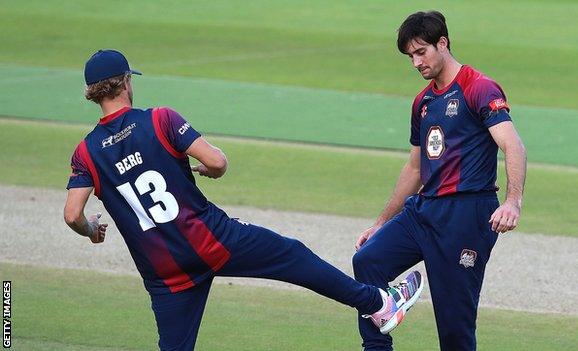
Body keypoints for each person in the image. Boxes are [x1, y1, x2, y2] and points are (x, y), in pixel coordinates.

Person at [63, 49, 424, 350]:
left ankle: (378, 303)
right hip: (211, 240)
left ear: (93, 93)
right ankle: (378, 304)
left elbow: (72, 214)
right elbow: (216, 161)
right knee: (291, 254)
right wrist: (212, 171)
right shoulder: (160, 119)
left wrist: (91, 229)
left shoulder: (87, 151)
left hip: (164, 273)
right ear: (125, 82)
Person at [352, 11, 527, 351]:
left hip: (467, 215)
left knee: (454, 327)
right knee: (368, 260)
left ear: (442, 43)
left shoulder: (479, 87)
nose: (416, 62)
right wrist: (381, 222)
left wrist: (512, 201)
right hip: (423, 212)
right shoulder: (423, 101)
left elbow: (513, 144)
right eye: (410, 56)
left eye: (421, 52)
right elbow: (415, 169)